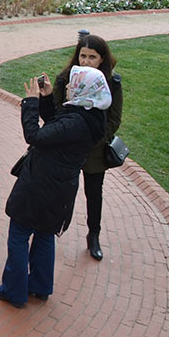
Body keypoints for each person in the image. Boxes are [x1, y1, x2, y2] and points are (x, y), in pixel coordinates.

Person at [0, 66, 110, 309]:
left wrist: (31, 103)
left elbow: (35, 136)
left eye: (71, 84)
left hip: (40, 185)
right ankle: (40, 286)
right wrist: (45, 99)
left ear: (82, 89)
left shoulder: (76, 121)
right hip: (60, 189)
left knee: (19, 233)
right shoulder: (89, 114)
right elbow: (56, 127)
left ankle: (14, 290)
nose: (66, 87)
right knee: (44, 234)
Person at [49, 34, 123, 261]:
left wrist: (94, 139)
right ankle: (49, 228)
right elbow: (55, 112)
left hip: (94, 149)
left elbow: (114, 119)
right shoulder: (64, 79)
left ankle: (94, 235)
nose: (86, 61)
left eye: (93, 57)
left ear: (102, 60)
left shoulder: (112, 83)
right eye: (83, 55)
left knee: (94, 192)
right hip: (67, 147)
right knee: (59, 189)